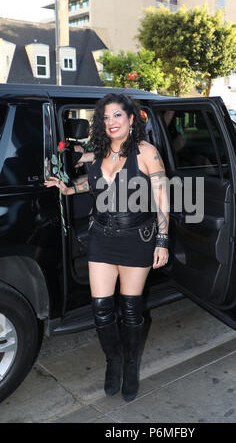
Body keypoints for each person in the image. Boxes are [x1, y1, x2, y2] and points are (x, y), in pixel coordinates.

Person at [45, 93, 169, 401]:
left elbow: (162, 198)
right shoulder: (97, 152)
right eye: (105, 117)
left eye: (117, 116)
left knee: (130, 310)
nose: (111, 122)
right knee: (101, 311)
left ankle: (130, 364)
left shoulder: (146, 152)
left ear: (130, 119)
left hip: (136, 239)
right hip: (101, 236)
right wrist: (69, 188)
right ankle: (112, 360)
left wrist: (163, 241)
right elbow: (94, 183)